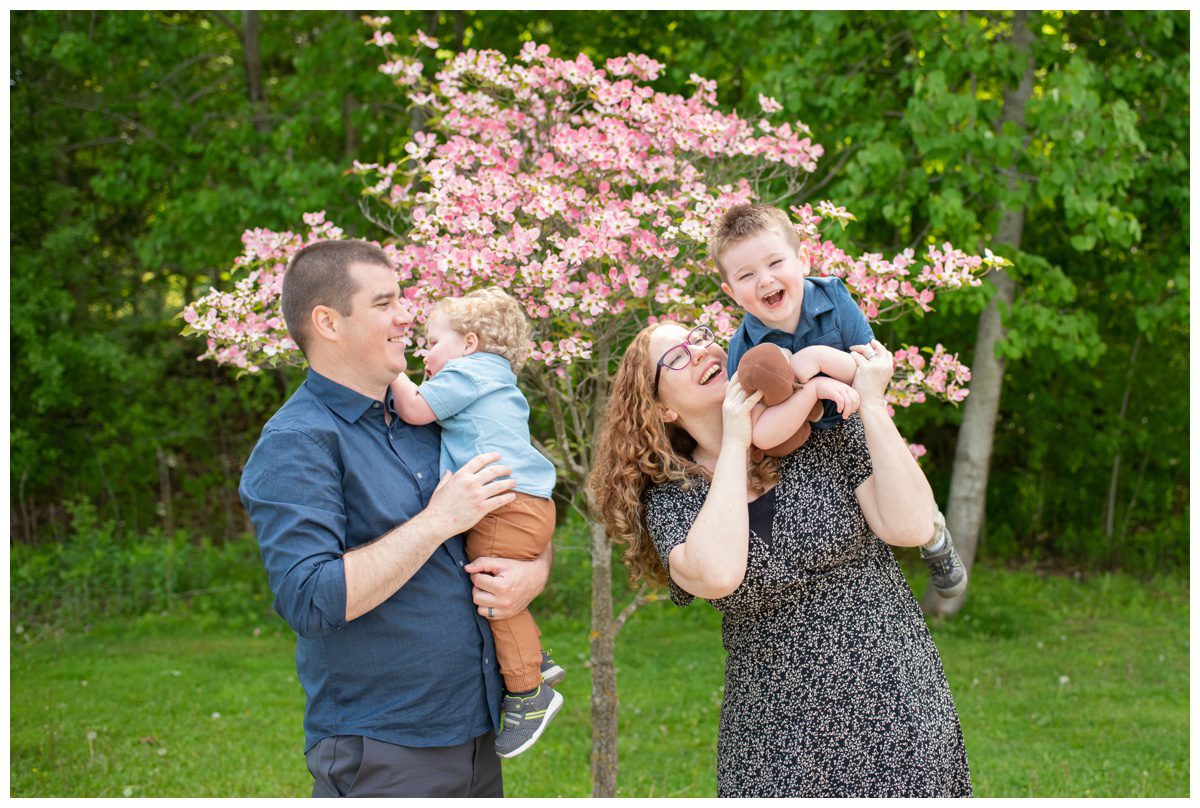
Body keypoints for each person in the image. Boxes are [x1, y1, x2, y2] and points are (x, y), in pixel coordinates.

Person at [589, 321, 972, 797]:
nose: (701, 349)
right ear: (662, 407)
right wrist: (733, 442)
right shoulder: (673, 500)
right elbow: (718, 573)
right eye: (678, 357)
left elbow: (914, 525)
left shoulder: (820, 426)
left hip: (896, 700)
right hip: (776, 738)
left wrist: (870, 404)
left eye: (700, 336)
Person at [239, 240, 551, 797]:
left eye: (402, 299)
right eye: (385, 303)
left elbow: (519, 496)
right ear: (328, 322)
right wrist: (437, 521)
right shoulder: (296, 442)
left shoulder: (432, 416)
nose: (406, 315)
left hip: (475, 730)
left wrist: (535, 572)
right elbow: (311, 599)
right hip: (386, 749)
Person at [711, 203, 965, 597]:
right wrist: (811, 390)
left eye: (775, 262)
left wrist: (818, 360)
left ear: (803, 260)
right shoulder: (743, 348)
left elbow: (871, 371)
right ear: (732, 294)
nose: (765, 280)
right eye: (746, 275)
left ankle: (933, 532)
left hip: (852, 422)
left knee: (892, 517)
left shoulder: (832, 296)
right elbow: (759, 432)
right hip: (800, 449)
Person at [390, 286, 564, 759]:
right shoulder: (495, 377)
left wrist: (392, 370)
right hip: (528, 505)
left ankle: (530, 694)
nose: (423, 354)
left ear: (469, 343)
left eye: (431, 343)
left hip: (504, 506)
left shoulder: (467, 373)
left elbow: (414, 408)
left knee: (494, 598)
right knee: (504, 593)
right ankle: (535, 658)